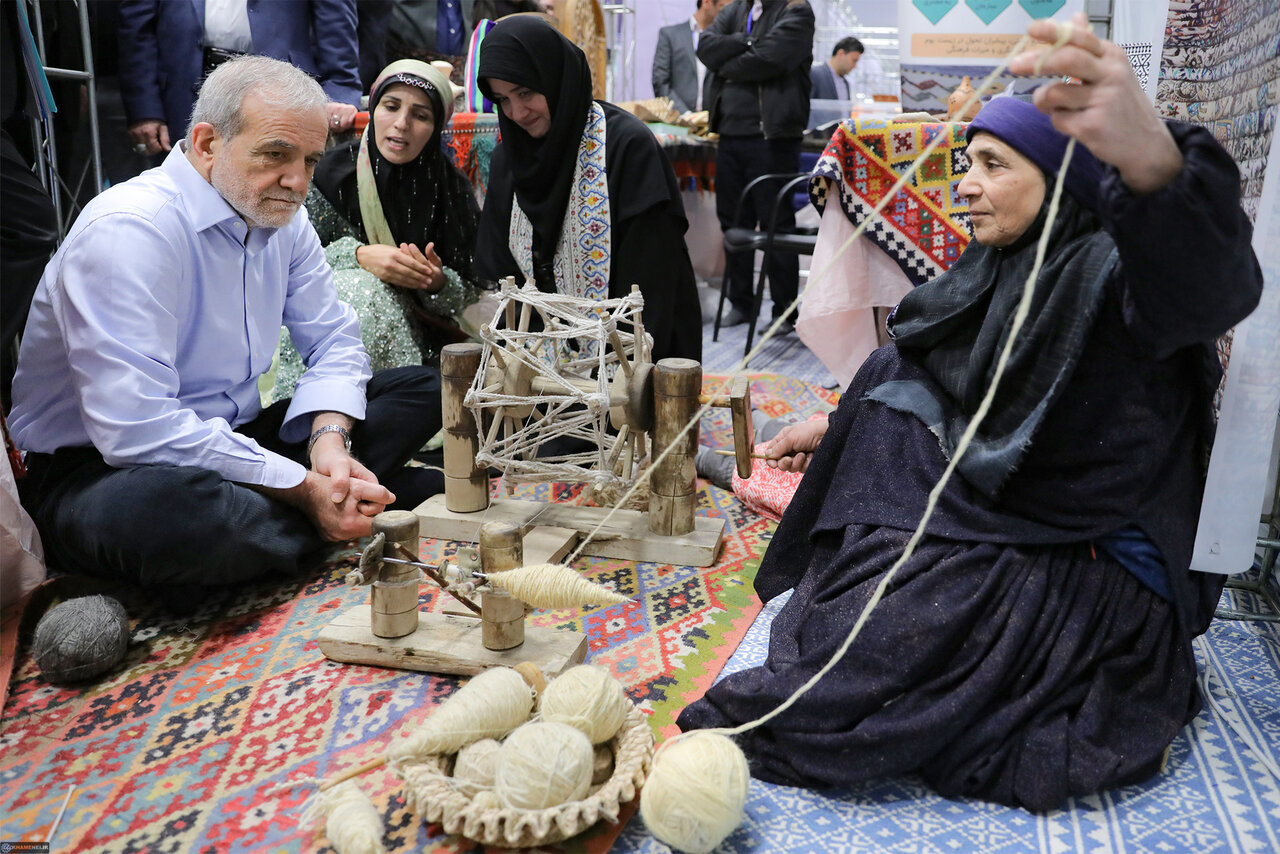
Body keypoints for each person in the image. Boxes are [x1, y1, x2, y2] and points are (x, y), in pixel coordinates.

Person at [677, 14, 1263, 811]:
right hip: (1005, 504)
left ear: (1062, 179)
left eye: (992, 164)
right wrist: (837, 424)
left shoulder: (1119, 277)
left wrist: (1156, 164)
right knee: (881, 411)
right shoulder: (1005, 262)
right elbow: (922, 357)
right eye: (965, 161)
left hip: (1087, 551)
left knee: (881, 654)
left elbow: (1212, 288)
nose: (965, 184)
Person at [9, 56, 443, 591]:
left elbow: (334, 341)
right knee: (190, 517)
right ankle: (339, 506)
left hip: (231, 438)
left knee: (422, 387)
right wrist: (303, 488)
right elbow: (135, 428)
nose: (298, 181)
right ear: (208, 144)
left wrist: (329, 446)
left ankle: (314, 508)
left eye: (310, 161)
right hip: (102, 469)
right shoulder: (130, 230)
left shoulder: (285, 215)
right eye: (276, 155)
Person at [474, 16, 703, 364]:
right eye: (502, 99)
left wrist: (610, 376)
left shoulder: (627, 147)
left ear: (555, 77)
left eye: (525, 92)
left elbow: (651, 281)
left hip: (634, 351)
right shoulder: (512, 157)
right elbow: (502, 275)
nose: (516, 112)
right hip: (539, 359)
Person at [271, 60, 482, 401]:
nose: (401, 125)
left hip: (419, 341)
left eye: (421, 115)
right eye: (391, 106)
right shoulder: (327, 175)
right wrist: (357, 255)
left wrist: (435, 282)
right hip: (317, 332)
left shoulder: (450, 192)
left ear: (436, 128)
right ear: (373, 108)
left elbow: (470, 291)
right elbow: (283, 263)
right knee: (359, 290)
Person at [698, 0, 814, 335]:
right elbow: (706, 45)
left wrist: (726, 59)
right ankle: (741, 304)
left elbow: (770, 59)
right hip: (729, 135)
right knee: (733, 222)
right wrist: (746, 43)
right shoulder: (736, 9)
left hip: (772, 138)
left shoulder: (797, 10)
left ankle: (782, 312)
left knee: (776, 225)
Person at [117, 0, 362, 157]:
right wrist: (145, 109)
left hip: (280, 90)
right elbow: (137, 28)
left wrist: (339, 92)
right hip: (182, 92)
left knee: (270, 187)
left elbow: (336, 23)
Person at [652, 0, 732, 115]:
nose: (728, 13)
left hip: (712, 122)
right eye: (723, 7)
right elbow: (660, 81)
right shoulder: (670, 35)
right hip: (678, 121)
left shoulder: (725, 39)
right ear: (706, 3)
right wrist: (684, 114)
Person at [809, 36, 862, 100]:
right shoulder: (815, 75)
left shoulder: (846, 83)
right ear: (841, 54)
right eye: (854, 60)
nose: (855, 66)